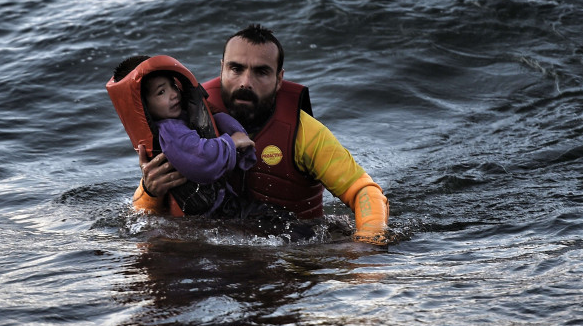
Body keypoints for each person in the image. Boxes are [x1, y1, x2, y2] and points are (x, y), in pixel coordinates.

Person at [132, 25, 390, 245]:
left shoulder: (305, 133)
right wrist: (150, 192)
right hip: (207, 256)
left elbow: (364, 192)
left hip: (289, 256)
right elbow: (141, 216)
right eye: (236, 69)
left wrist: (367, 246)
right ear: (222, 69)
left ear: (279, 79)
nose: (246, 82)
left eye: (261, 72)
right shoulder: (185, 119)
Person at [107, 55, 256, 216]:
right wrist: (232, 142)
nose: (173, 94)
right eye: (161, 92)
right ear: (144, 106)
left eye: (173, 86)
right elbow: (200, 159)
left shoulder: (181, 117)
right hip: (213, 213)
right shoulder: (170, 131)